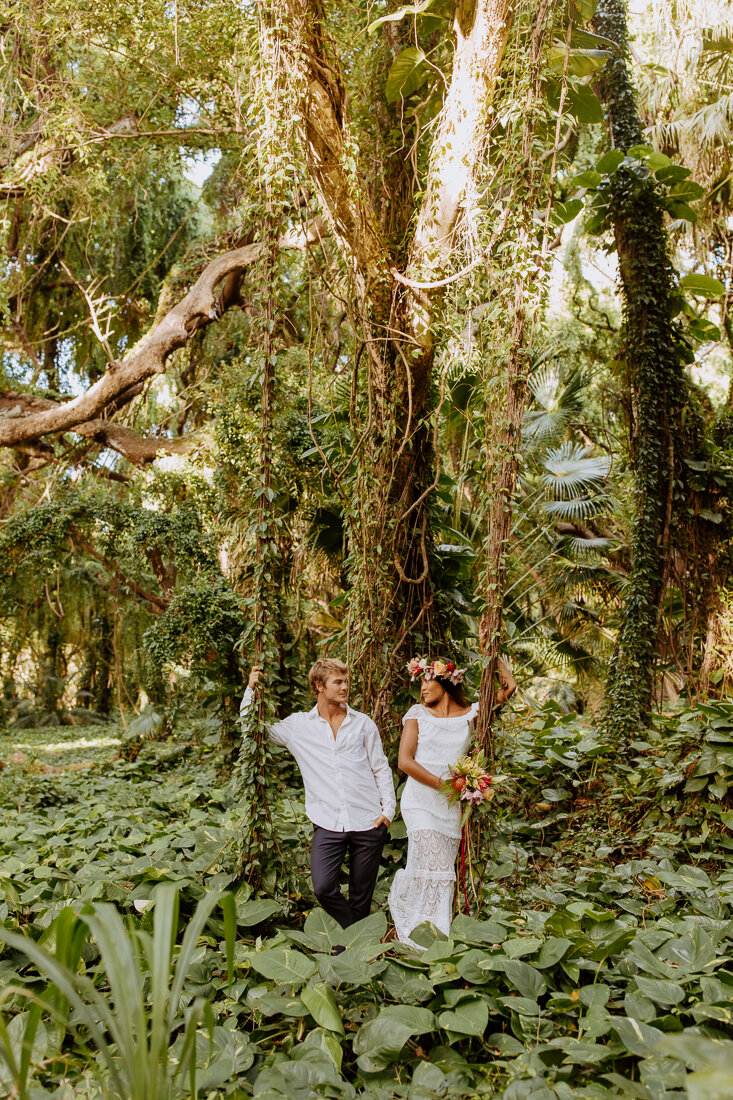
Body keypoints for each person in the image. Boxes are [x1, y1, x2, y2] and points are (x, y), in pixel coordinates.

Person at [241, 658, 395, 928]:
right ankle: (357, 937)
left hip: (369, 821)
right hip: (326, 821)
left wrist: (388, 812)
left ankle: (349, 951)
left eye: (346, 681)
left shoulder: (363, 724)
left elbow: (380, 767)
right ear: (319, 686)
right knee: (323, 888)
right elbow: (254, 729)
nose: (345, 687)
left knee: (361, 896)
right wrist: (251, 691)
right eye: (338, 682)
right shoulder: (298, 726)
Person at [388, 655, 516, 947]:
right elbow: (405, 762)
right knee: (440, 870)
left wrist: (491, 654)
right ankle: (428, 941)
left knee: (435, 872)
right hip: (419, 802)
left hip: (449, 809)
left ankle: (422, 920)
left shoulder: (472, 714)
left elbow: (509, 687)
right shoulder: (417, 714)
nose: (422, 687)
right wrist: (443, 784)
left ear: (445, 678)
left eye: (427, 679)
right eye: (419, 681)